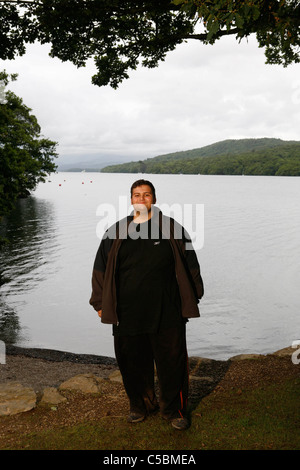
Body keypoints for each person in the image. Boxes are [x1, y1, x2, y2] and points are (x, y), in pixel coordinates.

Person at [89, 179, 204, 430]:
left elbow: (190, 263)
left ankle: (175, 411)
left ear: (154, 199)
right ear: (131, 200)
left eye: (147, 195)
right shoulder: (115, 232)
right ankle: (140, 406)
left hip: (168, 309)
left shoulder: (172, 228)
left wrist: (194, 294)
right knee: (131, 363)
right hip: (127, 312)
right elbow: (100, 268)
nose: (141, 200)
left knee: (172, 363)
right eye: (137, 195)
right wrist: (98, 301)